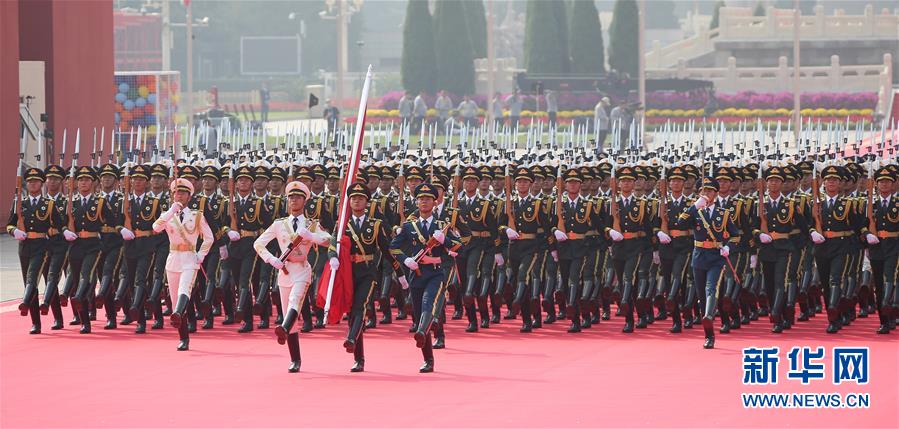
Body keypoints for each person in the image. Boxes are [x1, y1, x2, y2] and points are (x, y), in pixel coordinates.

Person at [255, 180, 331, 373]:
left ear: (305, 201)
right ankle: (295, 359)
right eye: (291, 197)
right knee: (289, 310)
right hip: (284, 271)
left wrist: (312, 237)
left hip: (302, 269)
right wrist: (272, 260)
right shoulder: (279, 224)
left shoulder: (311, 225)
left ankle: (283, 326)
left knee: (295, 301)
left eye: (298, 197)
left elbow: (329, 240)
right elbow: (258, 244)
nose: (294, 200)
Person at [389, 183, 462, 373]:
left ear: (434, 202)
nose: (424, 202)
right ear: (417, 202)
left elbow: (457, 247)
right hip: (416, 274)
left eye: (428, 199)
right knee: (419, 311)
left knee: (429, 304)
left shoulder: (442, 226)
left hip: (436, 274)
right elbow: (393, 247)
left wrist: (444, 240)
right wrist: (406, 260)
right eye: (421, 199)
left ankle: (421, 332)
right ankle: (428, 359)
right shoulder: (408, 226)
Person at [329, 182, 401, 372]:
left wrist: (400, 274)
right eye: (353, 198)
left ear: (367, 202)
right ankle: (358, 357)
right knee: (352, 312)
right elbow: (332, 244)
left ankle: (351, 338)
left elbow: (387, 251)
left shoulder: (375, 225)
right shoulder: (342, 224)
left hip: (367, 272)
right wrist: (332, 258)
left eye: (360, 198)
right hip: (347, 272)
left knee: (361, 306)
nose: (357, 200)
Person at [674, 177, 740, 349]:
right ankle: (708, 334)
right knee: (702, 295)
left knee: (711, 288)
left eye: (710, 191)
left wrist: (728, 247)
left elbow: (736, 235)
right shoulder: (695, 211)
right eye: (703, 191)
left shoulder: (723, 213)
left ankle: (709, 316)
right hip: (699, 256)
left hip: (716, 258)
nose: (706, 194)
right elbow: (680, 223)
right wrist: (695, 205)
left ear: (716, 194)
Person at [153, 178, 214, 351]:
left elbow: (209, 237)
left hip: (189, 258)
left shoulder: (197, 215)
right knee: (174, 298)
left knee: (184, 290)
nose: (178, 195)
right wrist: (170, 212)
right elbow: (156, 228)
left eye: (182, 193)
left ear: (189, 196)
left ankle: (178, 314)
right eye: (176, 193)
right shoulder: (168, 215)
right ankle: (183, 337)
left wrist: (201, 255)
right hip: (173, 258)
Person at [7, 167, 64, 334]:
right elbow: (10, 223)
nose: (33, 184)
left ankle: (57, 317)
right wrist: (14, 231)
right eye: (30, 182)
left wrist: (53, 233)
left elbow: (59, 225)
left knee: (45, 280)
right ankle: (36, 323)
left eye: (36, 181)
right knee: (29, 284)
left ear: (41, 184)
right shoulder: (20, 203)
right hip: (25, 247)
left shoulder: (49, 204)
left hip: (43, 247)